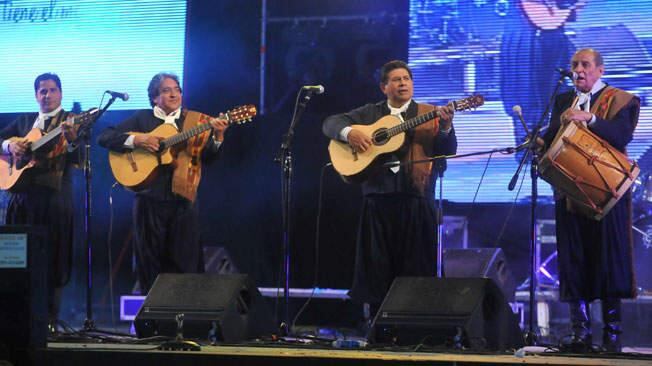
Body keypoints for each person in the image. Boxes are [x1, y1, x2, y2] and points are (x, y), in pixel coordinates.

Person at [322, 60, 457, 322]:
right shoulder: (371, 114)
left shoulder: (428, 113)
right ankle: (378, 329)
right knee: (377, 270)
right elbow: (330, 123)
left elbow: (447, 149)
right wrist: (349, 133)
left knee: (416, 270)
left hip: (416, 202)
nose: (403, 83)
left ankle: (416, 327)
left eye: (407, 78)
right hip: (378, 202)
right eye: (396, 79)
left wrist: (446, 127)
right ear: (384, 87)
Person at [542, 48, 640, 352]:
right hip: (570, 193)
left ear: (600, 70)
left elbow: (621, 136)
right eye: (574, 65)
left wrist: (591, 118)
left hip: (607, 193)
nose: (578, 70)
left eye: (585, 65)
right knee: (574, 261)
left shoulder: (622, 100)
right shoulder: (562, 101)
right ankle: (580, 333)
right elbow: (550, 139)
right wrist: (537, 143)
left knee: (607, 261)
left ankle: (612, 335)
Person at [98, 72, 229, 294]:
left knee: (185, 264)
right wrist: (138, 139)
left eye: (177, 89)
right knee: (150, 264)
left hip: (183, 202)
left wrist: (217, 137)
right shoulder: (142, 119)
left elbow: (209, 158)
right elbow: (105, 137)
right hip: (149, 201)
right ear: (154, 97)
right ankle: (156, 321)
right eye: (166, 90)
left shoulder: (196, 121)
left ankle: (184, 320)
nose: (173, 94)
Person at [0, 73, 80, 328]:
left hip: (54, 199)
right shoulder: (24, 121)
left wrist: (71, 139)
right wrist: (9, 147)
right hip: (20, 200)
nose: (47, 95)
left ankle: (49, 322)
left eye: (52, 90)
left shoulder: (71, 120)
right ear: (36, 95)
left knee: (53, 260)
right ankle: (17, 322)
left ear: (61, 93)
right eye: (43, 91)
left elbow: (79, 157)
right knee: (16, 261)